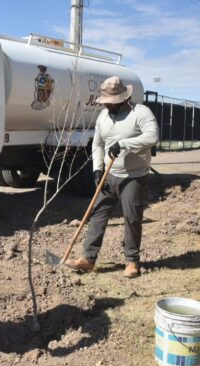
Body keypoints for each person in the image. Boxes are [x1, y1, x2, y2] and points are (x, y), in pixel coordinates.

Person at [65, 76, 159, 278]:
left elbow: (152, 137)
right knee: (98, 214)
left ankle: (132, 261)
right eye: (106, 102)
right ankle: (88, 259)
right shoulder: (103, 117)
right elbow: (97, 144)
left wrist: (124, 143)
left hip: (134, 176)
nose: (108, 105)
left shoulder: (141, 113)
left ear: (124, 98)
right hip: (109, 173)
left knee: (131, 218)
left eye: (111, 102)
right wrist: (97, 169)